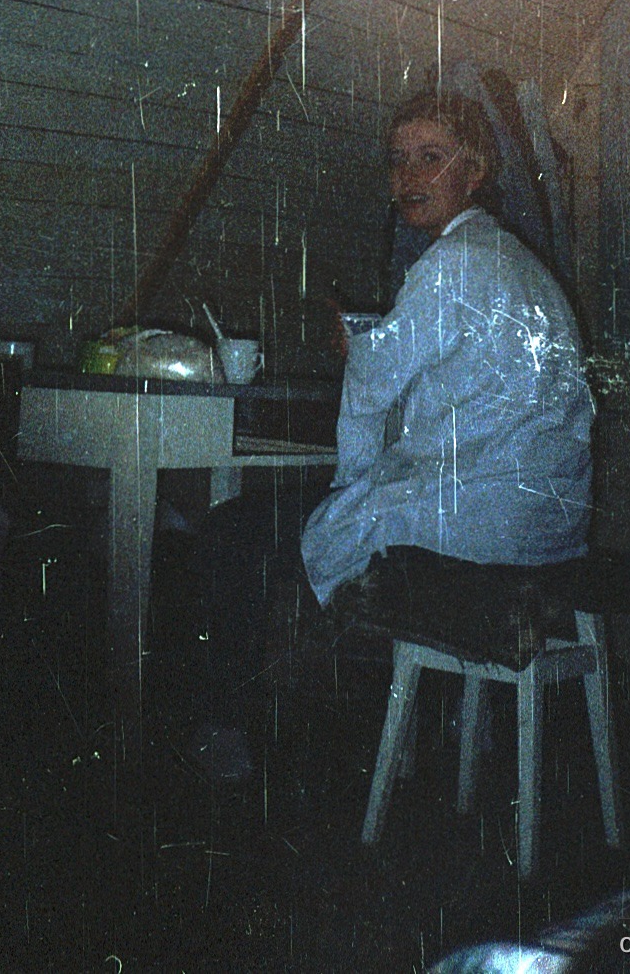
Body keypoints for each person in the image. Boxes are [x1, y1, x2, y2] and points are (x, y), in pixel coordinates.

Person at [186, 89, 594, 784]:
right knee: (318, 525)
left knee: (233, 536)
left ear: (476, 169)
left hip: (479, 528)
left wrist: (359, 366)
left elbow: (374, 389)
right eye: (398, 161)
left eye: (431, 159)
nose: (408, 178)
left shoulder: (450, 264)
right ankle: (412, 727)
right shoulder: (516, 262)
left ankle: (224, 734)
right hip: (545, 525)